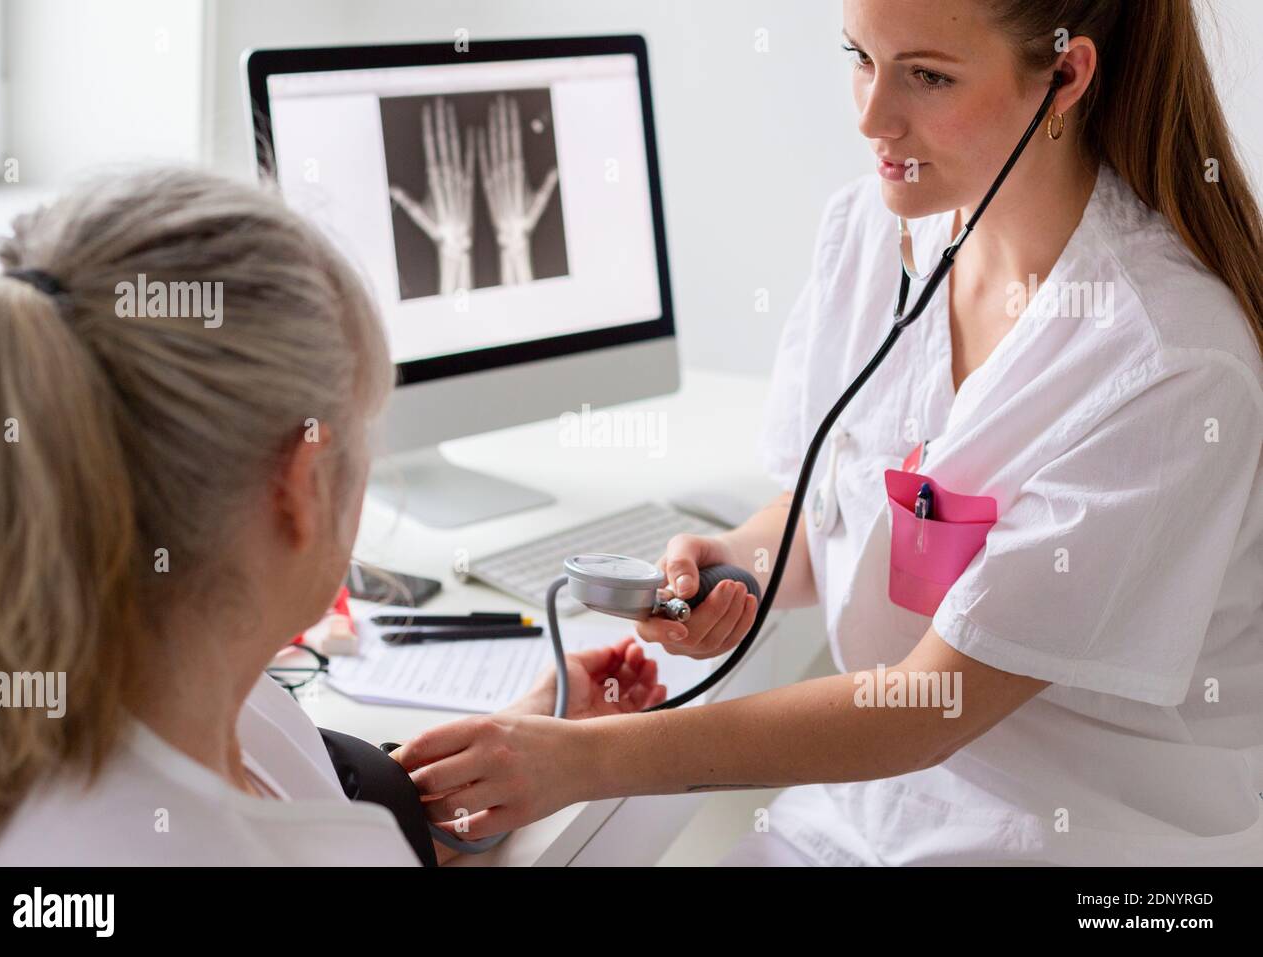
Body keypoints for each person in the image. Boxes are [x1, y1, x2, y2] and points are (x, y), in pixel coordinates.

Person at [395, 0, 1263, 865]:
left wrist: (582, 761)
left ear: (1066, 76)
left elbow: (931, 707)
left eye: (927, 75)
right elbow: (841, 511)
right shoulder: (872, 234)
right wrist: (736, 559)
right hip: (872, 811)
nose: (869, 116)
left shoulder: (1167, 361)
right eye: (860, 57)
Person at [0, 168, 666, 866]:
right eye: (366, 431)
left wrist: (525, 731)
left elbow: (338, 804)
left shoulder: (198, 696)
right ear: (300, 485)